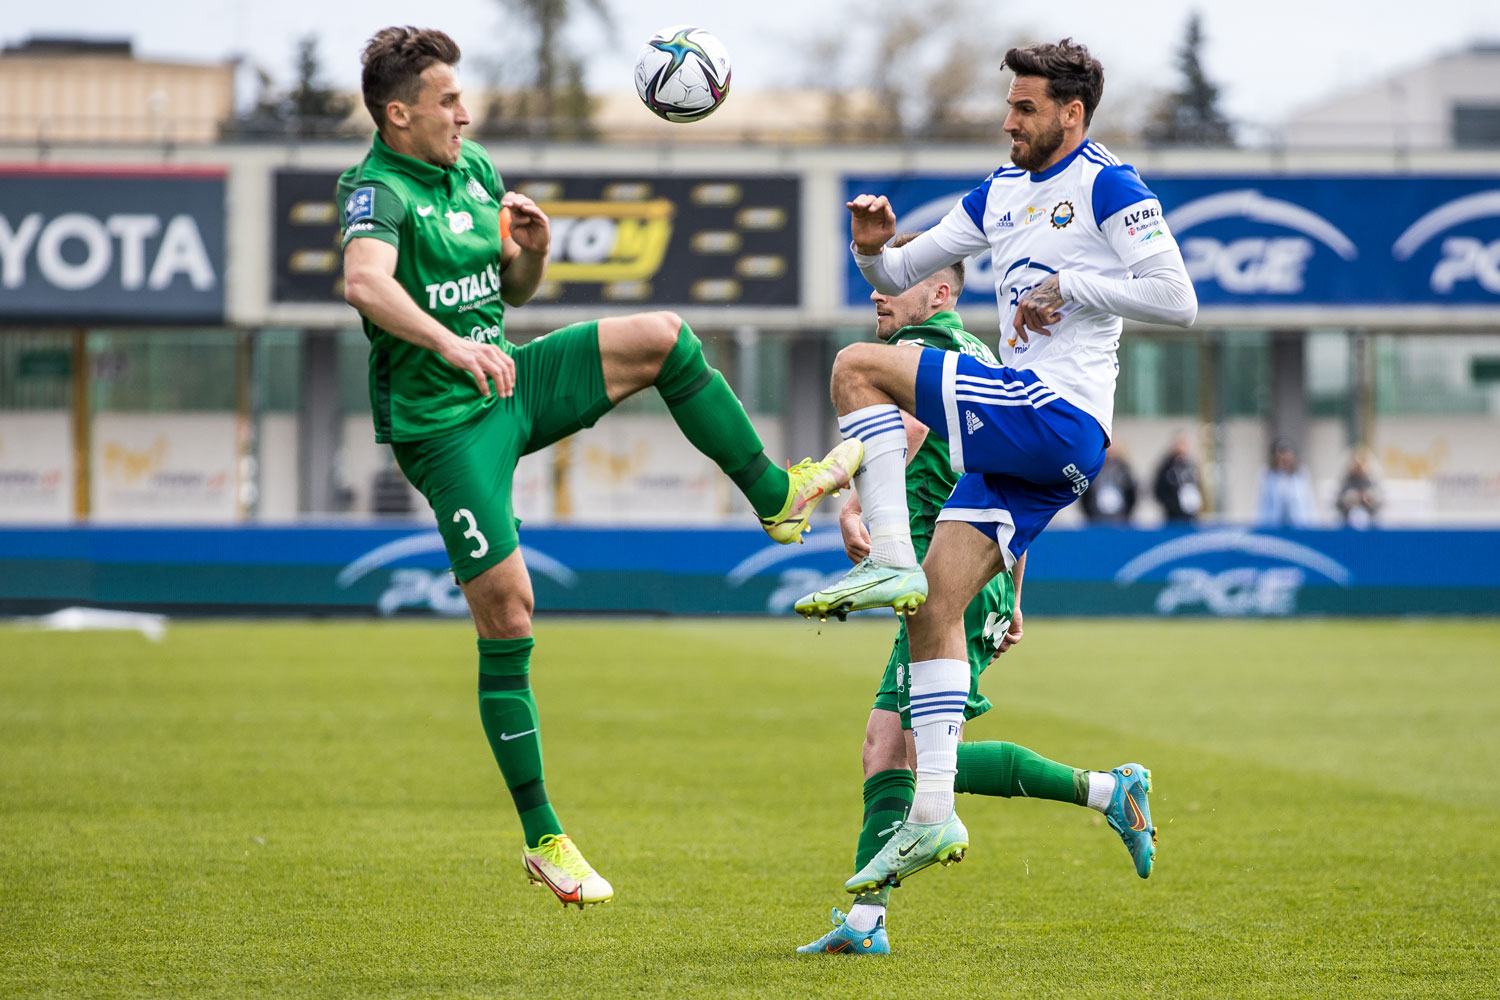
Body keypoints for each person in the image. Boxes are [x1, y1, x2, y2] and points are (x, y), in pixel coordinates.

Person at [338, 26, 858, 909]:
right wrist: (452, 346)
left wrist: (531, 251)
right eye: (447, 100)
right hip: (445, 429)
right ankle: (544, 837)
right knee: (508, 614)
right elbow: (365, 285)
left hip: (510, 382)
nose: (465, 111)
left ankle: (777, 496)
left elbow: (512, 297)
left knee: (663, 337)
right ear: (399, 113)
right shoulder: (376, 190)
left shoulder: (476, 171)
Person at [796, 38, 1197, 895]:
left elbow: (1179, 298)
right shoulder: (1002, 191)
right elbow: (900, 268)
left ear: (1071, 113)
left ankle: (890, 562)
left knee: (853, 369)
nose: (1008, 119)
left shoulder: (1107, 184)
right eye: (1008, 104)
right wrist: (869, 249)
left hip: (1057, 415)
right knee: (935, 608)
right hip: (1032, 442)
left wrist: (1076, 286)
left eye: (1025, 107)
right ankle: (934, 812)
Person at [797, 236, 1165, 957]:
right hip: (965, 573)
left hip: (953, 583)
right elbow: (1004, 483)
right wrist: (1016, 591)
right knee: (887, 747)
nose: (879, 291)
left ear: (940, 295)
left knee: (905, 752)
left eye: (898, 281)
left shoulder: (933, 348)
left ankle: (1108, 791)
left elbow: (898, 433)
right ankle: (867, 924)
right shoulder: (974, 356)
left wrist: (838, 498)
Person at [1255, 440, 1317, 528]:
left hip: (1299, 525)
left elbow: (1308, 503)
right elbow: (1261, 504)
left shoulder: (1301, 474)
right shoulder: (1267, 475)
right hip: (1273, 525)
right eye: (1280, 454)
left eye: (1286, 454)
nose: (1283, 458)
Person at [1153, 430, 1203, 524]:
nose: (1182, 447)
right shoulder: (1166, 467)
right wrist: (1172, 506)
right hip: (1173, 518)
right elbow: (1159, 490)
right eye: (1180, 443)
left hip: (1192, 517)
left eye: (1185, 443)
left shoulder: (1191, 466)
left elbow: (1199, 486)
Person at [1079, 445, 1138, 524]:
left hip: (1120, 520)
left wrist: (1127, 515)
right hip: (1096, 519)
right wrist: (1090, 516)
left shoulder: (1124, 470)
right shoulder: (1093, 470)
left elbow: (1131, 493)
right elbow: (1085, 493)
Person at [1335, 448, 1382, 528]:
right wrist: (1349, 501)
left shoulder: (1371, 482)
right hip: (1346, 523)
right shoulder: (1346, 482)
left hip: (1371, 524)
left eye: (1362, 465)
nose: (1359, 468)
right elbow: (1338, 503)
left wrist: (1369, 501)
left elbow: (1379, 504)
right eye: (1356, 465)